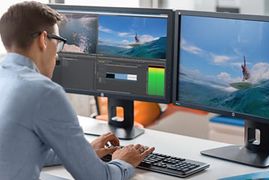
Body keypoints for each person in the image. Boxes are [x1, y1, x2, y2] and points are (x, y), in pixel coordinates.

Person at [0, 1, 154, 180]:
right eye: (58, 43)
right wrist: (124, 161)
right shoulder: (44, 92)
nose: (57, 54)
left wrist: (85, 152)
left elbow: (18, 149)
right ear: (43, 39)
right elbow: (98, 177)